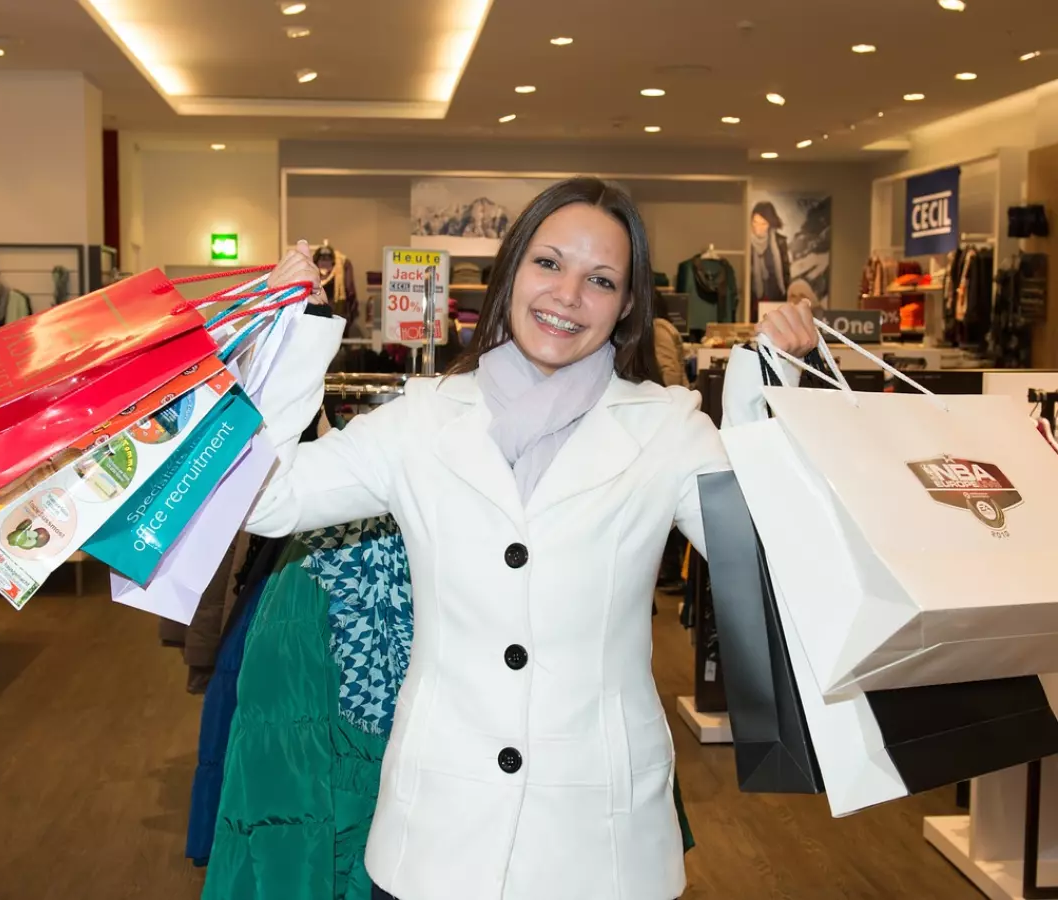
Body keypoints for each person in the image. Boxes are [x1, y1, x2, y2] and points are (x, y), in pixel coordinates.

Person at [245, 177, 817, 900]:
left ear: (629, 304)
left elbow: (770, 559)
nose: (568, 295)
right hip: (434, 839)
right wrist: (289, 339)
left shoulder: (668, 428)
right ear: (511, 270)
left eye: (600, 279)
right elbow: (265, 499)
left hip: (603, 846)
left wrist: (769, 399)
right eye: (548, 263)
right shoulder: (420, 421)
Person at [750, 200, 792, 303]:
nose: (758, 228)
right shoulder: (746, 243)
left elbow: (786, 272)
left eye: (763, 224)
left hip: (776, 297)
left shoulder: (779, 242)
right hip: (752, 299)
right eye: (755, 222)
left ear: (770, 223)